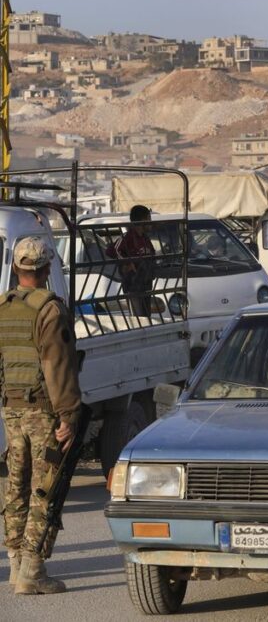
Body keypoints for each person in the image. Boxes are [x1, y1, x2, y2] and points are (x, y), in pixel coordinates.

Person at [1, 236, 83, 594]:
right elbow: (57, 365)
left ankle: (15, 566)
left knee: (15, 486)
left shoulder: (2, 307)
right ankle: (33, 572)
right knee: (45, 486)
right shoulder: (50, 309)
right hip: (42, 411)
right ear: (47, 269)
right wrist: (69, 415)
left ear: (17, 269)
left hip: (11, 408)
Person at [107, 205, 156, 316]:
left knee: (146, 318)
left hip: (146, 285)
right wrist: (127, 263)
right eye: (149, 218)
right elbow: (112, 250)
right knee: (139, 319)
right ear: (143, 220)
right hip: (133, 286)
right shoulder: (127, 237)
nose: (150, 222)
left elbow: (152, 255)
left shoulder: (145, 238)